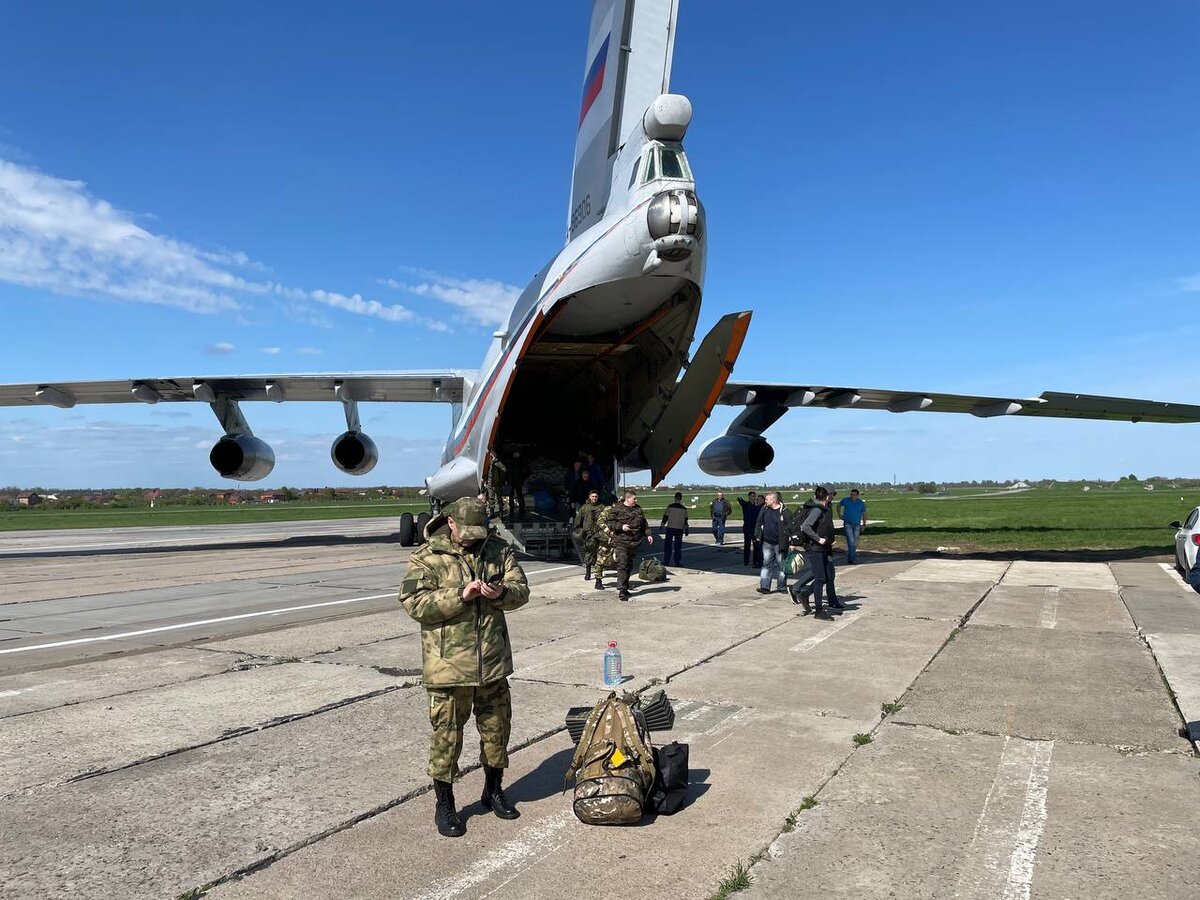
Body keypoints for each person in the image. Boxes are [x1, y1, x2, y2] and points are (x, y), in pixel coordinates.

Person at [399, 497, 530, 838]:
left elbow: (522, 590)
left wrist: (499, 592)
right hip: (449, 668)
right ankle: (445, 804)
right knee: (446, 738)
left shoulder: (497, 550)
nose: (471, 539)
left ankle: (493, 791)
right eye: (466, 531)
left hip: (492, 662)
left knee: (497, 730)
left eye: (478, 532)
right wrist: (461, 595)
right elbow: (414, 604)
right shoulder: (427, 557)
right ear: (451, 523)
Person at [798, 486, 844, 614]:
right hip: (817, 548)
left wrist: (829, 540)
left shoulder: (826, 507)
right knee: (822, 577)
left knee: (827, 576)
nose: (832, 497)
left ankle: (807, 595)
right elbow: (806, 526)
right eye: (831, 494)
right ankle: (817, 606)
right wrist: (820, 539)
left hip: (825, 547)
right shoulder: (818, 509)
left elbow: (825, 526)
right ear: (826, 495)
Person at [605, 489, 654, 602]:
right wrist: (620, 526)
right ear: (627, 499)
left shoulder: (638, 509)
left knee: (629, 566)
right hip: (621, 542)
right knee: (622, 565)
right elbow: (609, 523)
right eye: (634, 498)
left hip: (634, 542)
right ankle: (622, 590)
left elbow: (644, 523)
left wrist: (648, 534)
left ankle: (625, 586)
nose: (636, 500)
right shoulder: (617, 508)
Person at [753, 491, 788, 594]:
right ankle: (765, 586)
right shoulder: (764, 509)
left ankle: (782, 586)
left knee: (781, 566)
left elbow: (791, 526)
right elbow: (759, 521)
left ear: (773, 500)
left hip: (779, 544)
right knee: (766, 564)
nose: (765, 501)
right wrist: (757, 534)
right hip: (767, 542)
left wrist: (792, 542)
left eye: (767, 499)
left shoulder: (785, 511)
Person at [574, 488, 605, 581]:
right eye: (593, 496)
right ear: (589, 497)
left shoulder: (602, 507)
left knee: (600, 553)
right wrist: (579, 531)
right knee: (589, 553)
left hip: (599, 533)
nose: (594, 498)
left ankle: (599, 572)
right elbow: (578, 520)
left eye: (596, 496)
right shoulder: (585, 507)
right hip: (588, 534)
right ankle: (588, 572)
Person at [837, 488, 867, 564]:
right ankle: (852, 559)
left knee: (855, 543)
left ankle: (851, 557)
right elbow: (839, 505)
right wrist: (839, 515)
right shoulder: (846, 500)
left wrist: (863, 524)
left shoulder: (860, 503)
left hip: (857, 524)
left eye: (854, 494)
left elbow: (864, 514)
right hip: (848, 524)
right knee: (851, 541)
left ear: (857, 495)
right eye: (851, 494)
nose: (852, 496)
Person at [660, 491, 689, 566]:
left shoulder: (670, 507)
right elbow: (686, 520)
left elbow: (665, 517)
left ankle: (666, 561)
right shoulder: (684, 509)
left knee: (668, 546)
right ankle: (677, 562)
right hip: (679, 528)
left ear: (675, 498)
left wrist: (662, 525)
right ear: (681, 499)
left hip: (670, 528)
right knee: (678, 546)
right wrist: (686, 529)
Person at [737, 491, 760, 568]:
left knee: (756, 545)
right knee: (747, 545)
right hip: (747, 527)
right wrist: (739, 497)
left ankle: (755, 561)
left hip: (755, 528)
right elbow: (740, 501)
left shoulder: (757, 505)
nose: (754, 497)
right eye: (752, 496)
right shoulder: (746, 505)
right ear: (749, 497)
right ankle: (746, 561)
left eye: (755, 496)